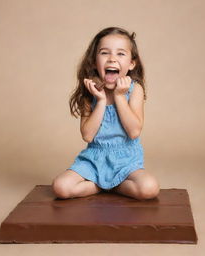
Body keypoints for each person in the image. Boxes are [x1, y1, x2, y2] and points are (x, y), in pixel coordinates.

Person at [52, 27, 160, 200]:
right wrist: (101, 101)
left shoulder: (135, 90)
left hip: (126, 160)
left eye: (120, 54)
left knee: (149, 188)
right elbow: (87, 135)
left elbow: (134, 131)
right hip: (94, 159)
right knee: (61, 188)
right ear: (94, 62)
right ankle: (100, 185)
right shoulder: (90, 92)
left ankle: (115, 185)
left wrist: (119, 96)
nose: (112, 59)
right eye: (104, 53)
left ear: (132, 63)